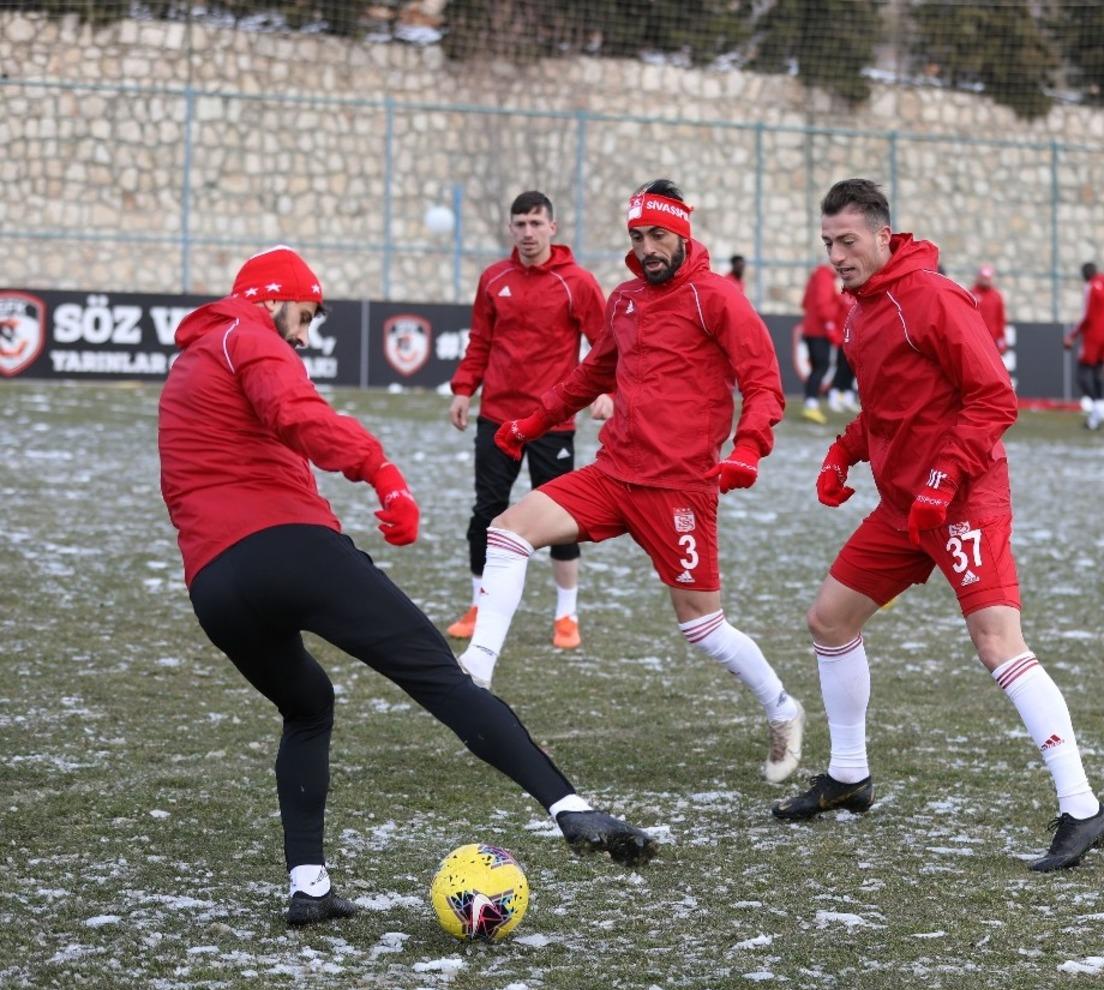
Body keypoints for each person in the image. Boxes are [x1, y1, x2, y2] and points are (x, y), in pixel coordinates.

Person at [158, 246, 657, 927]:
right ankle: (571, 809)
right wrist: (381, 471)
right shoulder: (247, 332)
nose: (303, 336)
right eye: (303, 316)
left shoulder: (190, 360)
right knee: (443, 680)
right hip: (289, 549)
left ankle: (308, 885)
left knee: (307, 703)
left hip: (214, 585)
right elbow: (296, 414)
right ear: (274, 298)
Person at [773, 180, 1104, 874]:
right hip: (905, 503)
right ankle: (849, 773)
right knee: (829, 619)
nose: (836, 256)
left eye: (846, 241)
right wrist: (846, 450)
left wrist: (940, 480)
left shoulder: (931, 295)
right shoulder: (863, 309)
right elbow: (892, 408)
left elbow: (993, 398)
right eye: (827, 244)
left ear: (881, 234)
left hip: (962, 499)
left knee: (998, 644)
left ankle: (1083, 809)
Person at [457, 179, 805, 785]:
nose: (647, 248)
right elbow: (589, 376)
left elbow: (763, 385)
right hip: (613, 474)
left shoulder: (716, 299)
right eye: (638, 236)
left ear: (682, 234)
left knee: (703, 628)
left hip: (679, 489)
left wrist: (749, 448)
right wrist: (530, 422)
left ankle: (782, 707)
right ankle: (477, 671)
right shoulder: (624, 300)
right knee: (507, 531)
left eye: (658, 235)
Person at [448, 191, 609, 651]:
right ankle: (480, 604)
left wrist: (608, 390)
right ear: (510, 229)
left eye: (536, 223)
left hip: (552, 422)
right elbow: (480, 339)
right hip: (497, 417)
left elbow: (603, 346)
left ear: (552, 228)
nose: (528, 233)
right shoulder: (493, 278)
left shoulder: (576, 282)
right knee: (486, 512)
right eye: (520, 224)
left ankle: (566, 615)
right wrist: (464, 389)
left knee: (562, 518)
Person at [1064, 262, 1104, 430]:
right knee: (1097, 373)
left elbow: (1086, 315)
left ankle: (1097, 409)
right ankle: (1099, 415)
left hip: (1093, 336)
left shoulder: (1090, 287)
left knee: (1082, 375)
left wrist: (1072, 335)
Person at [799, 262, 841, 424]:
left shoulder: (816, 276)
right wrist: (830, 322)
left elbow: (804, 303)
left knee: (817, 367)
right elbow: (823, 305)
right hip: (819, 330)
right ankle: (811, 404)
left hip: (811, 329)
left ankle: (810, 404)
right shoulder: (824, 276)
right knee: (821, 367)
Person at [827, 278, 858, 413]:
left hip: (856, 340)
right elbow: (833, 316)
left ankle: (848, 398)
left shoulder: (859, 296)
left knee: (853, 369)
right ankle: (834, 396)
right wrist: (834, 335)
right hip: (842, 339)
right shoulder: (841, 297)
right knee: (842, 368)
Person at [970, 265, 1007, 355]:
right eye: (983, 278)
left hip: (992, 340)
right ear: (978, 277)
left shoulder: (996, 296)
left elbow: (1000, 319)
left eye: (987, 278)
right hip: (975, 338)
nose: (985, 280)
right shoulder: (971, 294)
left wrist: (1001, 340)